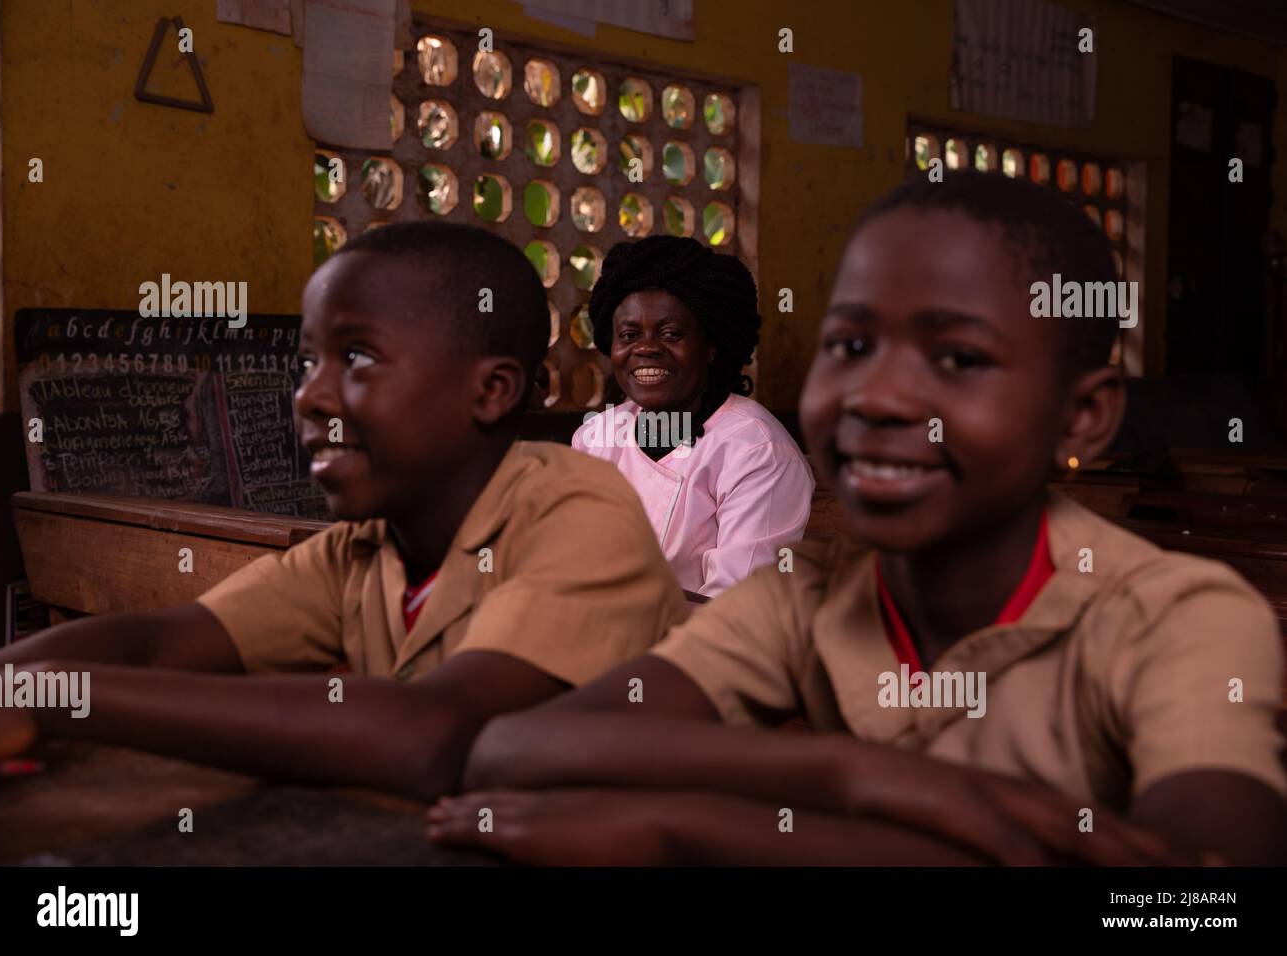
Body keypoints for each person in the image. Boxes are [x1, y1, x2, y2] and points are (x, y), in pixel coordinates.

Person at [431, 173, 1286, 866]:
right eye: (851, 344)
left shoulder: (1184, 624)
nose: (880, 397)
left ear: (1081, 418)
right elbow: (513, 754)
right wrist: (867, 779)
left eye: (958, 358)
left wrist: (687, 823)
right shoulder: (792, 611)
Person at [0, 222, 688, 800]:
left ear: (492, 390)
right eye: (306, 363)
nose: (309, 397)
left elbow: (431, 735)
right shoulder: (362, 549)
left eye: (355, 357)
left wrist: (57, 696)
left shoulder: (580, 513)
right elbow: (160, 643)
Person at [572, 236, 813, 598]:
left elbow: (736, 612)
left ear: (711, 346)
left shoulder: (756, 450)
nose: (646, 348)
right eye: (629, 334)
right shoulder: (597, 437)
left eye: (671, 334)